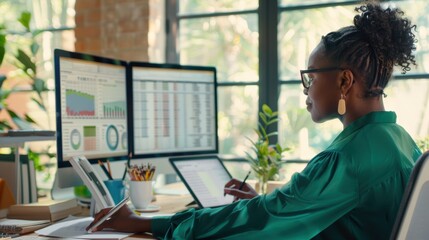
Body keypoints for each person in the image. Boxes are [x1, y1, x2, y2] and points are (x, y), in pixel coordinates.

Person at [87, 2, 422, 239]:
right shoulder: (398, 138)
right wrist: (269, 205)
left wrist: (146, 224)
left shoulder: (347, 159)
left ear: (344, 81)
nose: (305, 90)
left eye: (310, 77)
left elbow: (262, 223)